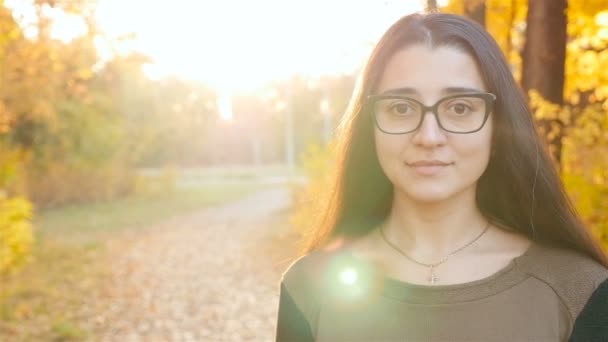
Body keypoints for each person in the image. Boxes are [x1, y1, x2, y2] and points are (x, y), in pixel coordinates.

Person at [275, 12, 608, 342]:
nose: (429, 136)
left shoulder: (579, 290)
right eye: (402, 108)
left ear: (498, 131)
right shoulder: (310, 288)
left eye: (459, 108)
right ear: (370, 129)